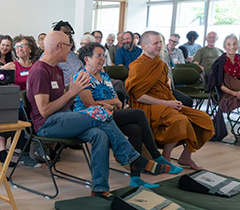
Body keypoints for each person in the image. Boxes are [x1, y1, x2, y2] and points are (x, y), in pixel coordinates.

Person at [27, 31, 171, 198]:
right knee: (100, 112)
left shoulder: (57, 70)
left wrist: (73, 93)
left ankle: (100, 188)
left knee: (99, 134)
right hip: (48, 125)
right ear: (59, 47)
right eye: (68, 46)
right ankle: (133, 158)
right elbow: (44, 111)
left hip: (65, 118)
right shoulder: (39, 71)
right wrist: (71, 92)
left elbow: (64, 103)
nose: (71, 50)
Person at [73, 43, 182, 188]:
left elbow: (117, 101)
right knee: (138, 113)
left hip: (109, 113)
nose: (102, 59)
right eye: (98, 56)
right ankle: (156, 155)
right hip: (90, 117)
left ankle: (135, 178)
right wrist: (109, 103)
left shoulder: (104, 76)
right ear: (87, 59)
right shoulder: (81, 77)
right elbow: (90, 105)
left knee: (135, 129)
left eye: (103, 56)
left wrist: (108, 103)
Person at [126, 31, 214, 170]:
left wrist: (170, 100)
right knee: (179, 121)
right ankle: (165, 157)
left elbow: (164, 89)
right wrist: (167, 103)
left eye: (160, 42)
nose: (160, 45)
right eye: (156, 43)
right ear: (144, 45)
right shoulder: (137, 65)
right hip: (147, 105)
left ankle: (186, 157)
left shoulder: (160, 64)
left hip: (165, 102)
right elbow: (137, 96)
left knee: (203, 119)